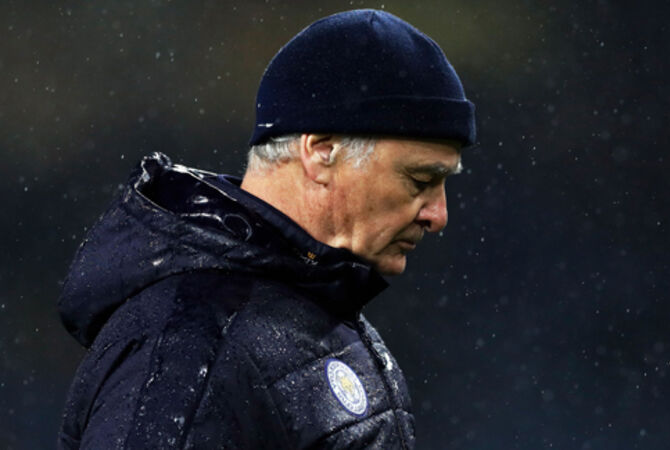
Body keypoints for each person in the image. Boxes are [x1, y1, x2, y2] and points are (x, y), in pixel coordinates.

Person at [57, 9, 475, 449]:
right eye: (420, 181)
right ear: (322, 152)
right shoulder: (191, 344)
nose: (438, 214)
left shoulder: (306, 305)